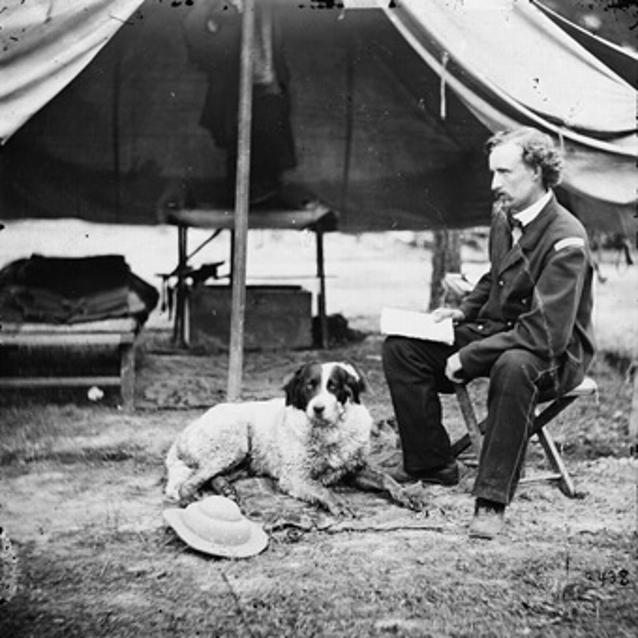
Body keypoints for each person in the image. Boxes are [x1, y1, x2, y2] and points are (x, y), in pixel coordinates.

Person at [382, 127, 595, 539]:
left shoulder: (566, 239)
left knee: (514, 366)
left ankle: (491, 500)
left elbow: (544, 336)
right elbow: (495, 276)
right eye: (492, 172)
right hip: (501, 334)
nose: (494, 184)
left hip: (553, 356)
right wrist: (463, 312)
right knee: (402, 348)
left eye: (505, 172)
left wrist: (470, 357)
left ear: (536, 172)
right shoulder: (506, 216)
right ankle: (431, 464)